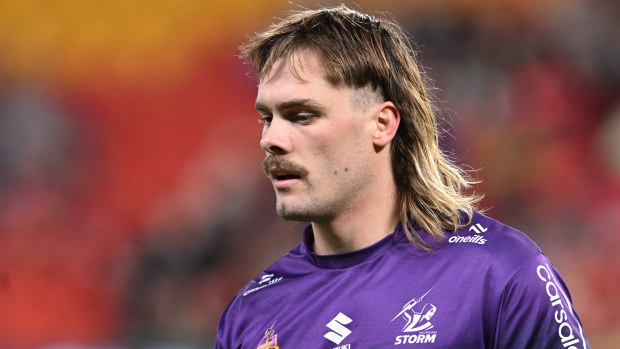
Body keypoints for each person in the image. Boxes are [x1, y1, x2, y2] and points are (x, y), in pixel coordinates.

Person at [216, 5, 590, 348]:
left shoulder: (500, 274)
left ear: (381, 125)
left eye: (302, 116)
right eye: (267, 117)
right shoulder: (250, 313)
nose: (271, 139)